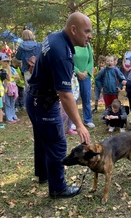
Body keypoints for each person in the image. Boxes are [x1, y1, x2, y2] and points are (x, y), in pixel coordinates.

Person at [25, 12, 91, 199]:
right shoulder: (62, 53)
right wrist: (79, 125)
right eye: (86, 31)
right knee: (57, 144)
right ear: (73, 29)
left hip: (34, 98)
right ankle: (58, 188)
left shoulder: (54, 37)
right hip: (44, 103)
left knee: (42, 139)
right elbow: (65, 94)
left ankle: (44, 175)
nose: (90, 36)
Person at [73, 42, 95, 128]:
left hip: (86, 76)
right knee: (74, 99)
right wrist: (78, 72)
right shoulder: (71, 44)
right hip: (74, 76)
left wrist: (85, 72)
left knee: (86, 98)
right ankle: (74, 122)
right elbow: (69, 61)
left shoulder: (87, 45)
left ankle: (88, 120)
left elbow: (91, 61)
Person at [0, 55, 20, 123]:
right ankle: (9, 117)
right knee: (7, 102)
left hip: (13, 87)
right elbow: (8, 77)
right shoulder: (0, 70)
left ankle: (13, 115)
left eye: (7, 61)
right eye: (4, 61)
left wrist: (12, 75)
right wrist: (8, 70)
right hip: (6, 88)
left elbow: (18, 77)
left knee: (13, 102)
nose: (6, 63)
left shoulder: (12, 68)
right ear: (1, 62)